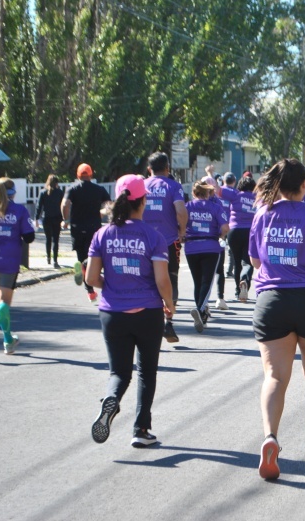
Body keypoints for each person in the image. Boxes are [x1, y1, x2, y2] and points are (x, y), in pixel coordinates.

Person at [248, 158, 305, 480]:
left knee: (274, 377)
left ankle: (270, 437)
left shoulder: (263, 214)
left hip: (272, 301)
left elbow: (255, 261)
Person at [86, 175, 175, 448]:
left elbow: (91, 277)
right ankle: (141, 429)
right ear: (143, 201)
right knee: (147, 372)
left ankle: (111, 398)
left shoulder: (102, 234)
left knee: (119, 373)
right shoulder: (153, 236)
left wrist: (110, 284)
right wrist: (169, 304)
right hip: (147, 312)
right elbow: (162, 280)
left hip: (112, 313)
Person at [0, 179, 36, 358]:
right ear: (12, 192)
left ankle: (9, 341)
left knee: (1, 302)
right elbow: (29, 237)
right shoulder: (19, 210)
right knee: (4, 302)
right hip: (9, 259)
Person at [143, 152, 188, 343]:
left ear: (149, 169)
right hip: (169, 241)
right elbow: (180, 210)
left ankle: (148, 323)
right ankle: (168, 321)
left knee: (147, 281)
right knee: (171, 280)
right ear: (168, 168)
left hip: (143, 241)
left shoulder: (141, 186)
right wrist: (182, 231)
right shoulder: (174, 186)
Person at [61, 163, 112, 301]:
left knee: (81, 255)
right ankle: (85, 268)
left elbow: (65, 204)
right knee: (94, 257)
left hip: (77, 228)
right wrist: (101, 213)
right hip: (93, 228)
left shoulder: (72, 188)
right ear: (91, 174)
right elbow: (109, 206)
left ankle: (90, 291)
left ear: (78, 175)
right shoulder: (99, 189)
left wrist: (66, 220)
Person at [185, 181, 229, 333]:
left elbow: (180, 224)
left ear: (194, 193)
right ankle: (199, 309)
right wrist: (220, 236)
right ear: (208, 193)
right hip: (210, 246)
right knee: (207, 282)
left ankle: (202, 315)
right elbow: (225, 227)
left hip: (191, 247)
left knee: (198, 282)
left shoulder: (188, 206)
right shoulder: (215, 207)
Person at [221, 176, 257, 302]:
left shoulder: (235, 195)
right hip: (250, 232)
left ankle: (238, 291)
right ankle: (245, 280)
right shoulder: (256, 196)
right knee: (248, 261)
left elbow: (217, 189)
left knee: (237, 262)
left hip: (234, 231)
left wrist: (210, 174)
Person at [35, 174, 65, 268]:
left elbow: (39, 206)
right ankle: (55, 261)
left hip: (46, 218)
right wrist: (65, 218)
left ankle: (48, 258)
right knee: (56, 239)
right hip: (57, 218)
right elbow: (63, 206)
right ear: (56, 183)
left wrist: (36, 218)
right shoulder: (60, 192)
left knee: (48, 239)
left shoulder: (43, 192)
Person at [220, 172, 238, 277]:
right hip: (231, 224)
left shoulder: (219, 191)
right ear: (234, 182)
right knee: (232, 250)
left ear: (224, 181)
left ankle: (218, 269)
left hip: (219, 223)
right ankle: (229, 270)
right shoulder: (236, 193)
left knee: (218, 248)